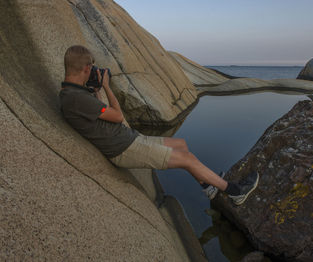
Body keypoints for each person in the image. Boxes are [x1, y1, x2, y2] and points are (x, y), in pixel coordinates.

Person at [59, 45, 259, 205]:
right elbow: (118, 116)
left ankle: (208, 187)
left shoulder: (75, 93)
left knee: (180, 143)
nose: (93, 71)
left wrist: (96, 91)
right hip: (123, 148)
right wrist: (106, 87)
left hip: (129, 138)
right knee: (187, 159)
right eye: (92, 68)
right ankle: (235, 192)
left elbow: (100, 113)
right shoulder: (75, 98)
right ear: (86, 68)